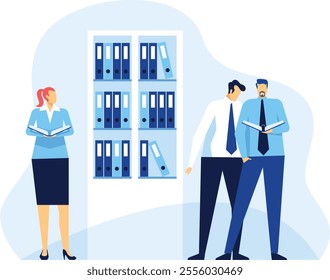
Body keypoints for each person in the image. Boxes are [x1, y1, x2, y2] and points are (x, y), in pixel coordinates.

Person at [217, 79, 289, 260]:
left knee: (274, 204)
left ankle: (274, 252)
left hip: (275, 156)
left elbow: (286, 126)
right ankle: (227, 251)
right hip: (252, 158)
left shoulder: (276, 104)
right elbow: (239, 131)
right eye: (260, 88)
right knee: (240, 203)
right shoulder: (248, 106)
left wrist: (272, 132)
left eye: (264, 88)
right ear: (257, 89)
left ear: (267, 89)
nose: (262, 90)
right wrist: (243, 154)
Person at [185, 80, 249, 260]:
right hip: (212, 160)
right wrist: (191, 162)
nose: (239, 95)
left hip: (236, 160)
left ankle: (235, 253)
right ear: (231, 89)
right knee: (207, 205)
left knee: (238, 207)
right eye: (237, 91)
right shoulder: (214, 105)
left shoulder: (241, 107)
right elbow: (201, 131)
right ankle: (202, 252)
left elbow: (245, 134)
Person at [26, 87, 76, 260]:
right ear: (47, 96)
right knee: (43, 206)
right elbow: (28, 130)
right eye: (53, 94)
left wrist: (56, 133)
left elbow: (70, 130)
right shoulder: (36, 113)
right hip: (40, 158)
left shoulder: (63, 112)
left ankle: (66, 248)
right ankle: (44, 248)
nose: (56, 96)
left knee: (63, 206)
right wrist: (42, 133)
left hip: (60, 157)